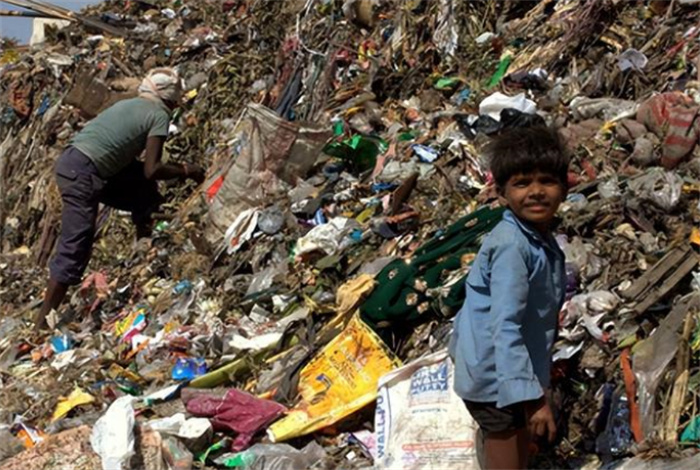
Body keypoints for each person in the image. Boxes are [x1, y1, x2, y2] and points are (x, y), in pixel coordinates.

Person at [35, 67, 205, 331]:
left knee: (141, 188)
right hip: (83, 172)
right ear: (171, 99)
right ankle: (41, 325)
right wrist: (186, 170)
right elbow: (154, 168)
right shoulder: (158, 114)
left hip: (73, 162)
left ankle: (145, 256)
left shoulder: (130, 104)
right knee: (77, 242)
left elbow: (142, 173)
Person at [450, 126, 569, 469]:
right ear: (501, 193)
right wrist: (533, 400)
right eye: (522, 184)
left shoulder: (536, 239)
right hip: (492, 374)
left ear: (565, 187)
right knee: (507, 445)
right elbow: (505, 327)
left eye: (546, 181)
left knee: (517, 439)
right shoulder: (512, 246)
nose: (535, 192)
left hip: (505, 370)